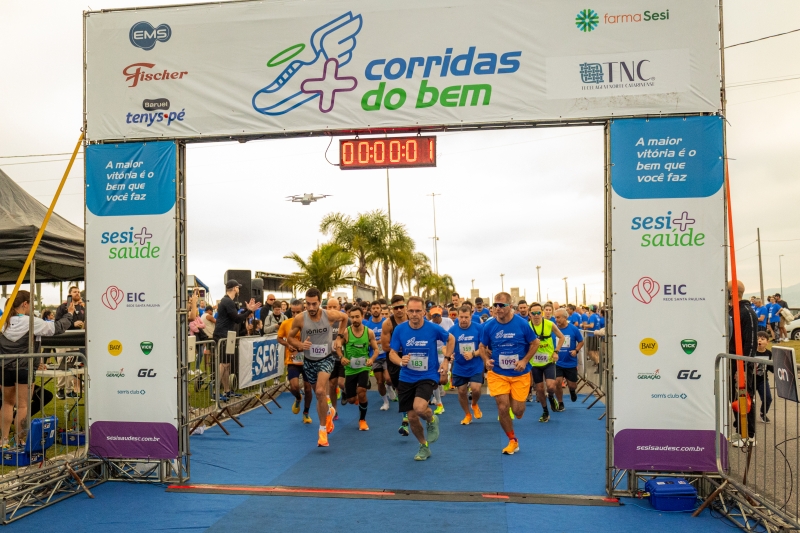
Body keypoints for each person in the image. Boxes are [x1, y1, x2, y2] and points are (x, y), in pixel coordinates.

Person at [1, 291, 73, 448]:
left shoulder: (2, 321)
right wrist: (69, 314)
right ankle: (20, 441)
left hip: (4, 367)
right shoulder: (31, 322)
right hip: (24, 367)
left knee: (6, 404)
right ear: (25, 304)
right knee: (22, 405)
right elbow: (57, 328)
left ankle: (4, 440)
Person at [388, 296, 453, 461]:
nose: (415, 314)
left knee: (419, 408)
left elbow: (451, 339)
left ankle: (431, 419)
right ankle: (424, 446)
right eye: (411, 311)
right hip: (407, 376)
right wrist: (400, 361)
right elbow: (392, 353)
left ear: (424, 312)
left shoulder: (433, 328)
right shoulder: (400, 330)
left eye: (418, 311)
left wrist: (446, 360)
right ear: (407, 312)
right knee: (411, 417)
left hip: (428, 375)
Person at [287, 288, 348, 447]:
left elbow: (345, 317)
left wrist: (339, 338)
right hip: (309, 361)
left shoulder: (329, 315)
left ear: (320, 302)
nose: (311, 307)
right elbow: (289, 338)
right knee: (319, 395)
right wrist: (300, 345)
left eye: (314, 304)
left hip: (326, 359)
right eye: (308, 304)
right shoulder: (300, 319)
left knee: (321, 390)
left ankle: (322, 431)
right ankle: (329, 410)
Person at [480, 292, 539, 455]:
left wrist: (525, 360)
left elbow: (535, 343)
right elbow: (481, 346)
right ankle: (512, 440)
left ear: (510, 307)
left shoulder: (522, 324)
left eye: (501, 305)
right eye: (495, 305)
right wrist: (486, 360)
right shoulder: (489, 326)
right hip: (498, 373)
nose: (497, 308)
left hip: (519, 374)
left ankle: (515, 403)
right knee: (502, 406)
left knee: (518, 411)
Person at [213, 280, 261, 402]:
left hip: (227, 335)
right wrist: (249, 311)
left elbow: (236, 316)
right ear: (235, 288)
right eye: (238, 288)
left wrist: (247, 310)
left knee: (227, 364)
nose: (239, 290)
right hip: (222, 335)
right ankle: (215, 391)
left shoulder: (228, 301)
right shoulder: (227, 301)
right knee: (223, 364)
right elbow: (237, 319)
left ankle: (227, 390)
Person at [339, 307, 379, 431]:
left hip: (363, 368)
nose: (355, 319)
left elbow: (376, 349)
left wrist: (371, 359)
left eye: (357, 317)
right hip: (350, 369)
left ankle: (362, 420)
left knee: (362, 391)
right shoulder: (346, 332)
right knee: (351, 400)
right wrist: (341, 357)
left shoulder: (369, 332)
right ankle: (349, 394)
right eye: (352, 317)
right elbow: (337, 347)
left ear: (362, 316)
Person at [729, 280, 758, 448]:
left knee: (745, 397)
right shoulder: (732, 311)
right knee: (735, 399)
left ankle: (750, 435)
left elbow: (751, 343)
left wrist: (743, 367)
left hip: (742, 365)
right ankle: (740, 430)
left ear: (732, 292)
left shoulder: (746, 312)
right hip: (731, 362)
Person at [447, 305, 484, 425]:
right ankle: (467, 414)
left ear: (471, 316)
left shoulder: (479, 328)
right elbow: (444, 346)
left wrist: (473, 353)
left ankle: (474, 404)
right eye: (461, 317)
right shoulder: (452, 330)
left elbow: (485, 348)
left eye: (466, 317)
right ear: (457, 316)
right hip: (459, 366)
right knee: (462, 391)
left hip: (475, 365)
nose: (463, 320)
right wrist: (449, 355)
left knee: (476, 389)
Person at [278, 299, 313, 423]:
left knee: (308, 389)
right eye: (292, 312)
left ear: (303, 310)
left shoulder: (311, 324)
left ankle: (306, 413)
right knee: (294, 387)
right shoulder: (286, 323)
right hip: (293, 359)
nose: (295, 315)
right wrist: (288, 345)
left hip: (308, 360)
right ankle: (298, 398)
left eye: (297, 312)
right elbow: (279, 338)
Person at [528, 302, 565, 421]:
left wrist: (556, 352)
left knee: (550, 386)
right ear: (530, 314)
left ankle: (551, 397)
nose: (536, 315)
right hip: (535, 363)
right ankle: (545, 411)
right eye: (533, 313)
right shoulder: (527, 326)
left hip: (549, 361)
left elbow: (562, 337)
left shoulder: (549, 324)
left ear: (542, 312)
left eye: (539, 312)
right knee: (539, 390)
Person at [382, 295, 410, 436]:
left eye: (401, 307)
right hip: (394, 358)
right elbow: (386, 346)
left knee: (410, 386)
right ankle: (406, 413)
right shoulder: (388, 324)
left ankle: (406, 416)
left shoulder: (413, 319)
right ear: (392, 309)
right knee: (399, 386)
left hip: (412, 357)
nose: (399, 310)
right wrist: (400, 349)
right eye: (396, 308)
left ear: (405, 307)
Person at [54, 286, 85, 400]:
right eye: (74, 292)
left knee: (71, 365)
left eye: (78, 292)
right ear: (69, 294)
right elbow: (57, 322)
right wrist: (73, 324)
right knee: (62, 364)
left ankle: (69, 390)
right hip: (63, 340)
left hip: (75, 339)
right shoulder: (63, 307)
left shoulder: (82, 308)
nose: (77, 293)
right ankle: (60, 389)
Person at [554, 308, 584, 406]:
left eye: (558, 317)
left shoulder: (573, 329)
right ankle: (560, 402)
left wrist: (576, 350)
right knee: (557, 383)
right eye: (555, 317)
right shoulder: (553, 329)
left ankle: (572, 391)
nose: (556, 320)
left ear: (565, 317)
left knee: (572, 385)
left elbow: (581, 341)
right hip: (557, 362)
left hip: (570, 362)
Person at [364, 301, 390, 410]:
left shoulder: (386, 322)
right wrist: (375, 343)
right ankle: (385, 402)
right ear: (370, 310)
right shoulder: (367, 325)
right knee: (380, 382)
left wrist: (382, 342)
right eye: (373, 308)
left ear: (380, 309)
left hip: (386, 356)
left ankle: (390, 388)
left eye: (377, 308)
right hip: (375, 356)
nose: (375, 310)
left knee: (388, 379)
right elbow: (365, 341)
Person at [429, 306, 454, 414]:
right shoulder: (429, 324)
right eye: (433, 315)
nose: (436, 318)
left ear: (441, 315)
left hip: (446, 353)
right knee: (435, 380)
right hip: (434, 353)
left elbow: (453, 337)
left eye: (437, 315)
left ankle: (448, 378)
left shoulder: (448, 321)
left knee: (443, 380)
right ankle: (439, 403)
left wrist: (450, 353)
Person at [325, 297, 347, 413]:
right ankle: (334, 409)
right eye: (330, 307)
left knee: (341, 383)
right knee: (332, 384)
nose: (332, 309)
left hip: (343, 357)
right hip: (329, 357)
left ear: (339, 307)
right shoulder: (323, 321)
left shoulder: (345, 320)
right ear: (326, 308)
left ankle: (345, 391)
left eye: (335, 307)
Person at [754, 331, 773, 423]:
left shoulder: (769, 353)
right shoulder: (752, 351)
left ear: (767, 342)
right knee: (747, 399)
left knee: (768, 398)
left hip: (762, 380)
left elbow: (770, 367)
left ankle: (763, 413)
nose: (759, 341)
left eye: (762, 339)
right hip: (751, 380)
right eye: (757, 339)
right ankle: (747, 417)